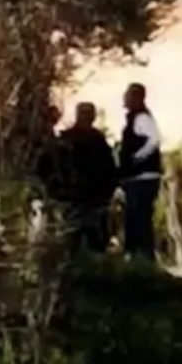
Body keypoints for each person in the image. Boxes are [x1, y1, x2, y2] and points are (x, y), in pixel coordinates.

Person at [55, 102, 117, 254]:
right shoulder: (71, 140)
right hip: (79, 196)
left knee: (87, 237)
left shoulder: (92, 140)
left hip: (89, 196)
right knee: (79, 236)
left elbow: (108, 169)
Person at [116, 82, 164, 263]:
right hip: (138, 177)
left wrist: (138, 157)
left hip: (143, 177)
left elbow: (154, 139)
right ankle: (140, 258)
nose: (125, 98)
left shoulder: (141, 118)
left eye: (128, 95)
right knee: (137, 219)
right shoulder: (135, 118)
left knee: (139, 220)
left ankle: (141, 258)